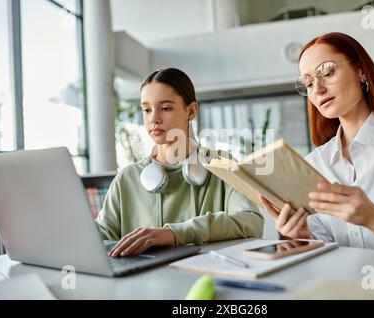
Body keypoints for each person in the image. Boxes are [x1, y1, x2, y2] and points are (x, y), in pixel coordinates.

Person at [259, 32, 374, 254]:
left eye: (327, 72)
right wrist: (301, 236)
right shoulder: (314, 164)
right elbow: (325, 245)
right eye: (308, 83)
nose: (317, 89)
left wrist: (373, 217)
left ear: (361, 71)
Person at [97, 68, 263, 257]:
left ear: (191, 111)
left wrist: (174, 233)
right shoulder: (127, 178)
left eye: (165, 108)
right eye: (147, 109)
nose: (153, 119)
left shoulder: (221, 164)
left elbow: (251, 222)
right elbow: (100, 236)